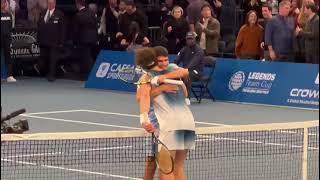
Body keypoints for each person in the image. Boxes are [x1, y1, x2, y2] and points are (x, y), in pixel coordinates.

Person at [136, 47, 195, 180]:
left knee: (166, 170)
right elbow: (185, 88)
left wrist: (144, 120)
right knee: (178, 168)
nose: (163, 63)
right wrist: (163, 86)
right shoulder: (174, 70)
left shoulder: (146, 78)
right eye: (160, 60)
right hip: (188, 124)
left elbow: (143, 98)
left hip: (169, 126)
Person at [37, 0, 64, 82]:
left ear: (55, 4)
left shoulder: (60, 14)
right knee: (44, 58)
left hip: (54, 41)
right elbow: (39, 26)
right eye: (48, 3)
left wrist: (61, 41)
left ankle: (52, 75)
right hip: (43, 40)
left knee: (53, 59)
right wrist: (38, 39)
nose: (50, 4)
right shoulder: (43, 12)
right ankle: (44, 73)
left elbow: (62, 29)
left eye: (52, 3)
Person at [73, 0, 98, 80]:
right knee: (90, 56)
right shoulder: (92, 13)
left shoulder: (78, 15)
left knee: (85, 57)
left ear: (78, 4)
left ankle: (86, 75)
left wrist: (74, 41)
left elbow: (76, 30)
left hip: (83, 39)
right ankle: (90, 73)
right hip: (93, 39)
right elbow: (95, 25)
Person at [175, 32, 205, 98]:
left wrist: (183, 71)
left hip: (196, 72)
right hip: (184, 71)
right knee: (173, 75)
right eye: (188, 39)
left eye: (191, 39)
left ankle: (186, 98)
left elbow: (193, 63)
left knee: (186, 75)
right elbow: (177, 60)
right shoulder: (184, 49)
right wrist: (172, 67)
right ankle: (175, 96)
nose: (189, 40)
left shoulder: (199, 51)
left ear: (195, 39)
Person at [1, 0, 16, 82]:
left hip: (7, 39)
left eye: (3, 2)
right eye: (1, 2)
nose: (2, 4)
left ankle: (9, 75)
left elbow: (11, 28)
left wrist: (10, 39)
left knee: (8, 57)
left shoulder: (9, 15)